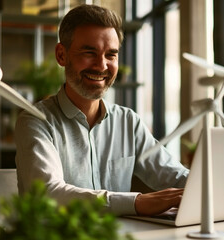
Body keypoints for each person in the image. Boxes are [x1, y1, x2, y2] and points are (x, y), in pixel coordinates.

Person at [14, 4, 189, 216]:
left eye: (111, 55)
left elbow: (174, 175)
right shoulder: (35, 121)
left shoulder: (128, 122)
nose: (102, 65)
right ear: (62, 55)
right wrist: (137, 202)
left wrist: (211, 186)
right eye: (89, 52)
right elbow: (50, 193)